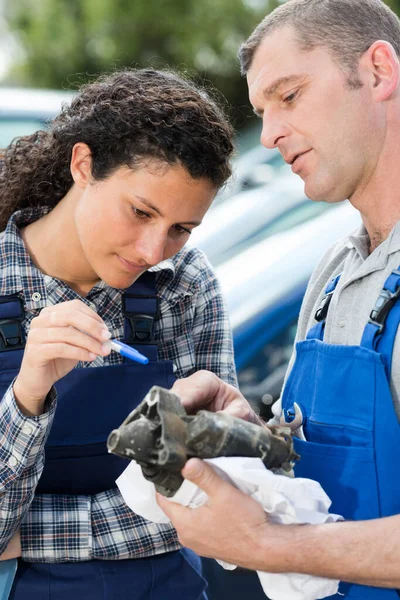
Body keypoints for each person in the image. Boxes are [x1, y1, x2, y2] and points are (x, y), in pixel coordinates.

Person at [156, 0, 400, 598]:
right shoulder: (336, 274)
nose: (268, 135)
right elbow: (321, 478)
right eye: (262, 112)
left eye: (288, 96)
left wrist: (265, 545)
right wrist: (247, 431)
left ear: (379, 71)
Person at [0, 68, 237, 599]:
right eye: (140, 211)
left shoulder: (184, 287)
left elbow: (211, 500)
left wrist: (31, 532)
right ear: (83, 165)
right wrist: (28, 395)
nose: (153, 252)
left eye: (180, 229)